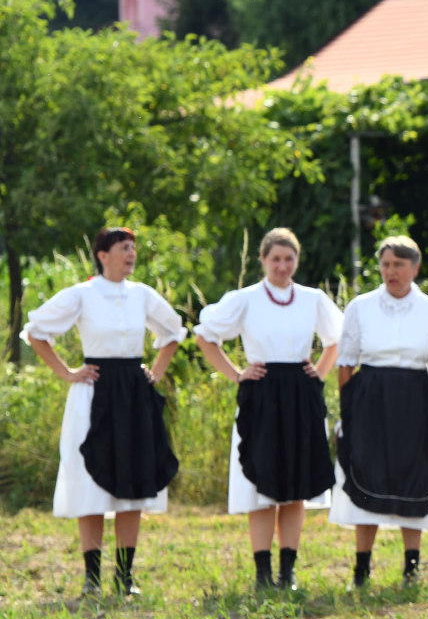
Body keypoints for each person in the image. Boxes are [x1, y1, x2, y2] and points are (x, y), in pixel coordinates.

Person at [22, 228, 186, 597]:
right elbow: (36, 332)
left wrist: (156, 371)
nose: (130, 254)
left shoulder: (142, 295)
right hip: (93, 390)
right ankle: (92, 579)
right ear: (102, 255)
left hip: (133, 392)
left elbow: (174, 332)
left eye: (133, 249)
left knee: (134, 478)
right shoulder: (82, 294)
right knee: (90, 481)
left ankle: (125, 578)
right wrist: (67, 372)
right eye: (123, 249)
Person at [195, 228, 341, 591]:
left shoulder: (312, 298)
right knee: (261, 486)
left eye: (288, 258)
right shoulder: (244, 299)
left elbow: (338, 338)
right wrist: (238, 374)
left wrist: (318, 373)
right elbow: (205, 336)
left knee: (295, 486)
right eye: (275, 259)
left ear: (297, 260)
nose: (282, 265)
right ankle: (262, 574)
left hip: (300, 395)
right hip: (260, 394)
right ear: (262, 260)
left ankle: (287, 571)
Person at [330, 236, 428, 588]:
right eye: (386, 264)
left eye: (399, 265)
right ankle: (361, 571)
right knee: (366, 476)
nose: (391, 272)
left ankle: (411, 570)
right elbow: (345, 364)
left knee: (413, 478)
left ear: (415, 268)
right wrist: (349, 413)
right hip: (370, 401)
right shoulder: (361, 306)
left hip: (417, 404)